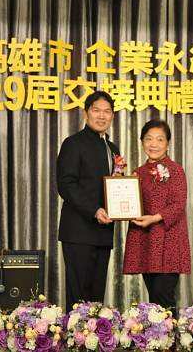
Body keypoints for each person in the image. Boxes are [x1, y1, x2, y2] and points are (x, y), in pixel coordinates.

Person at [56, 91, 119, 308]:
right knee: (78, 299)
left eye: (107, 111)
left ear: (112, 116)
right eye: (96, 110)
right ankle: (75, 332)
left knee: (96, 299)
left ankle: (94, 332)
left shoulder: (112, 148)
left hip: (103, 233)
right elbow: (66, 185)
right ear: (86, 113)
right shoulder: (73, 143)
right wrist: (94, 210)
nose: (102, 116)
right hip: (78, 232)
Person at [123, 119, 191, 312]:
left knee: (164, 297)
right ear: (142, 142)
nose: (153, 144)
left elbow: (178, 205)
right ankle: (158, 332)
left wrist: (154, 218)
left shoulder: (176, 170)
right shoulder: (137, 173)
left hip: (168, 241)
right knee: (154, 299)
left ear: (167, 144)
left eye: (160, 139)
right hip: (146, 242)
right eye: (149, 139)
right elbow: (129, 203)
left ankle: (170, 332)